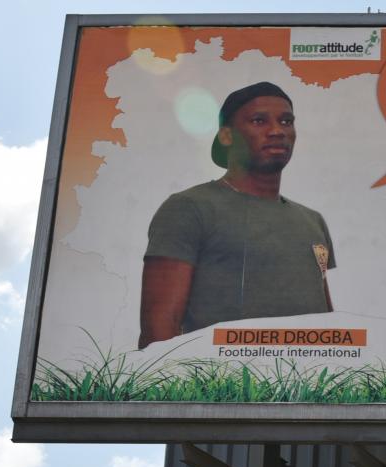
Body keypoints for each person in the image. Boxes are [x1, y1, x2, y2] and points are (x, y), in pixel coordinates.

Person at [139, 81, 335, 348]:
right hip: (221, 385)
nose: (277, 131)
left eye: (286, 121)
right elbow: (159, 327)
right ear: (226, 136)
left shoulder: (313, 221)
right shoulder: (189, 207)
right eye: (259, 121)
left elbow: (327, 322)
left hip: (306, 384)